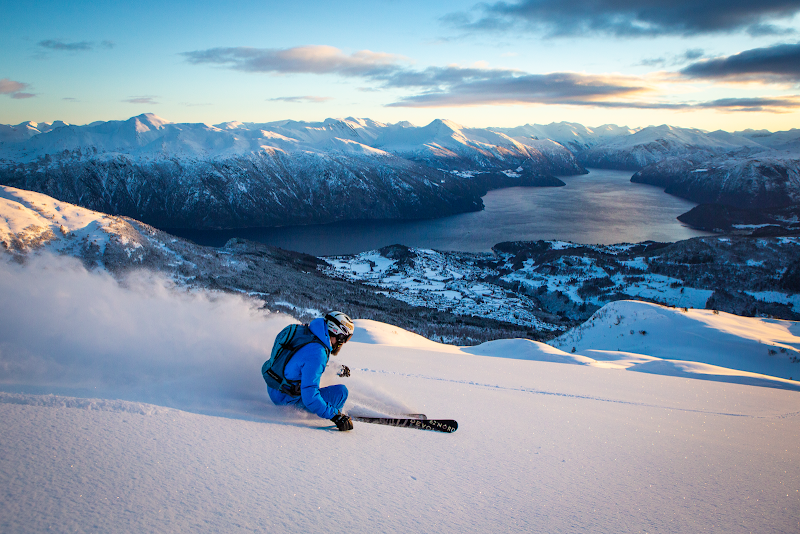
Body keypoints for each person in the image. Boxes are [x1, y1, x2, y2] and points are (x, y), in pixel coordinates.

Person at [263, 311, 356, 431]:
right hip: (287, 400)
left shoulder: (305, 332)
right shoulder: (318, 353)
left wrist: (335, 368)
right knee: (341, 392)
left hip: (274, 388)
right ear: (338, 333)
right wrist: (336, 416)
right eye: (345, 338)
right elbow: (310, 397)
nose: (343, 343)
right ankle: (334, 415)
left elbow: (301, 362)